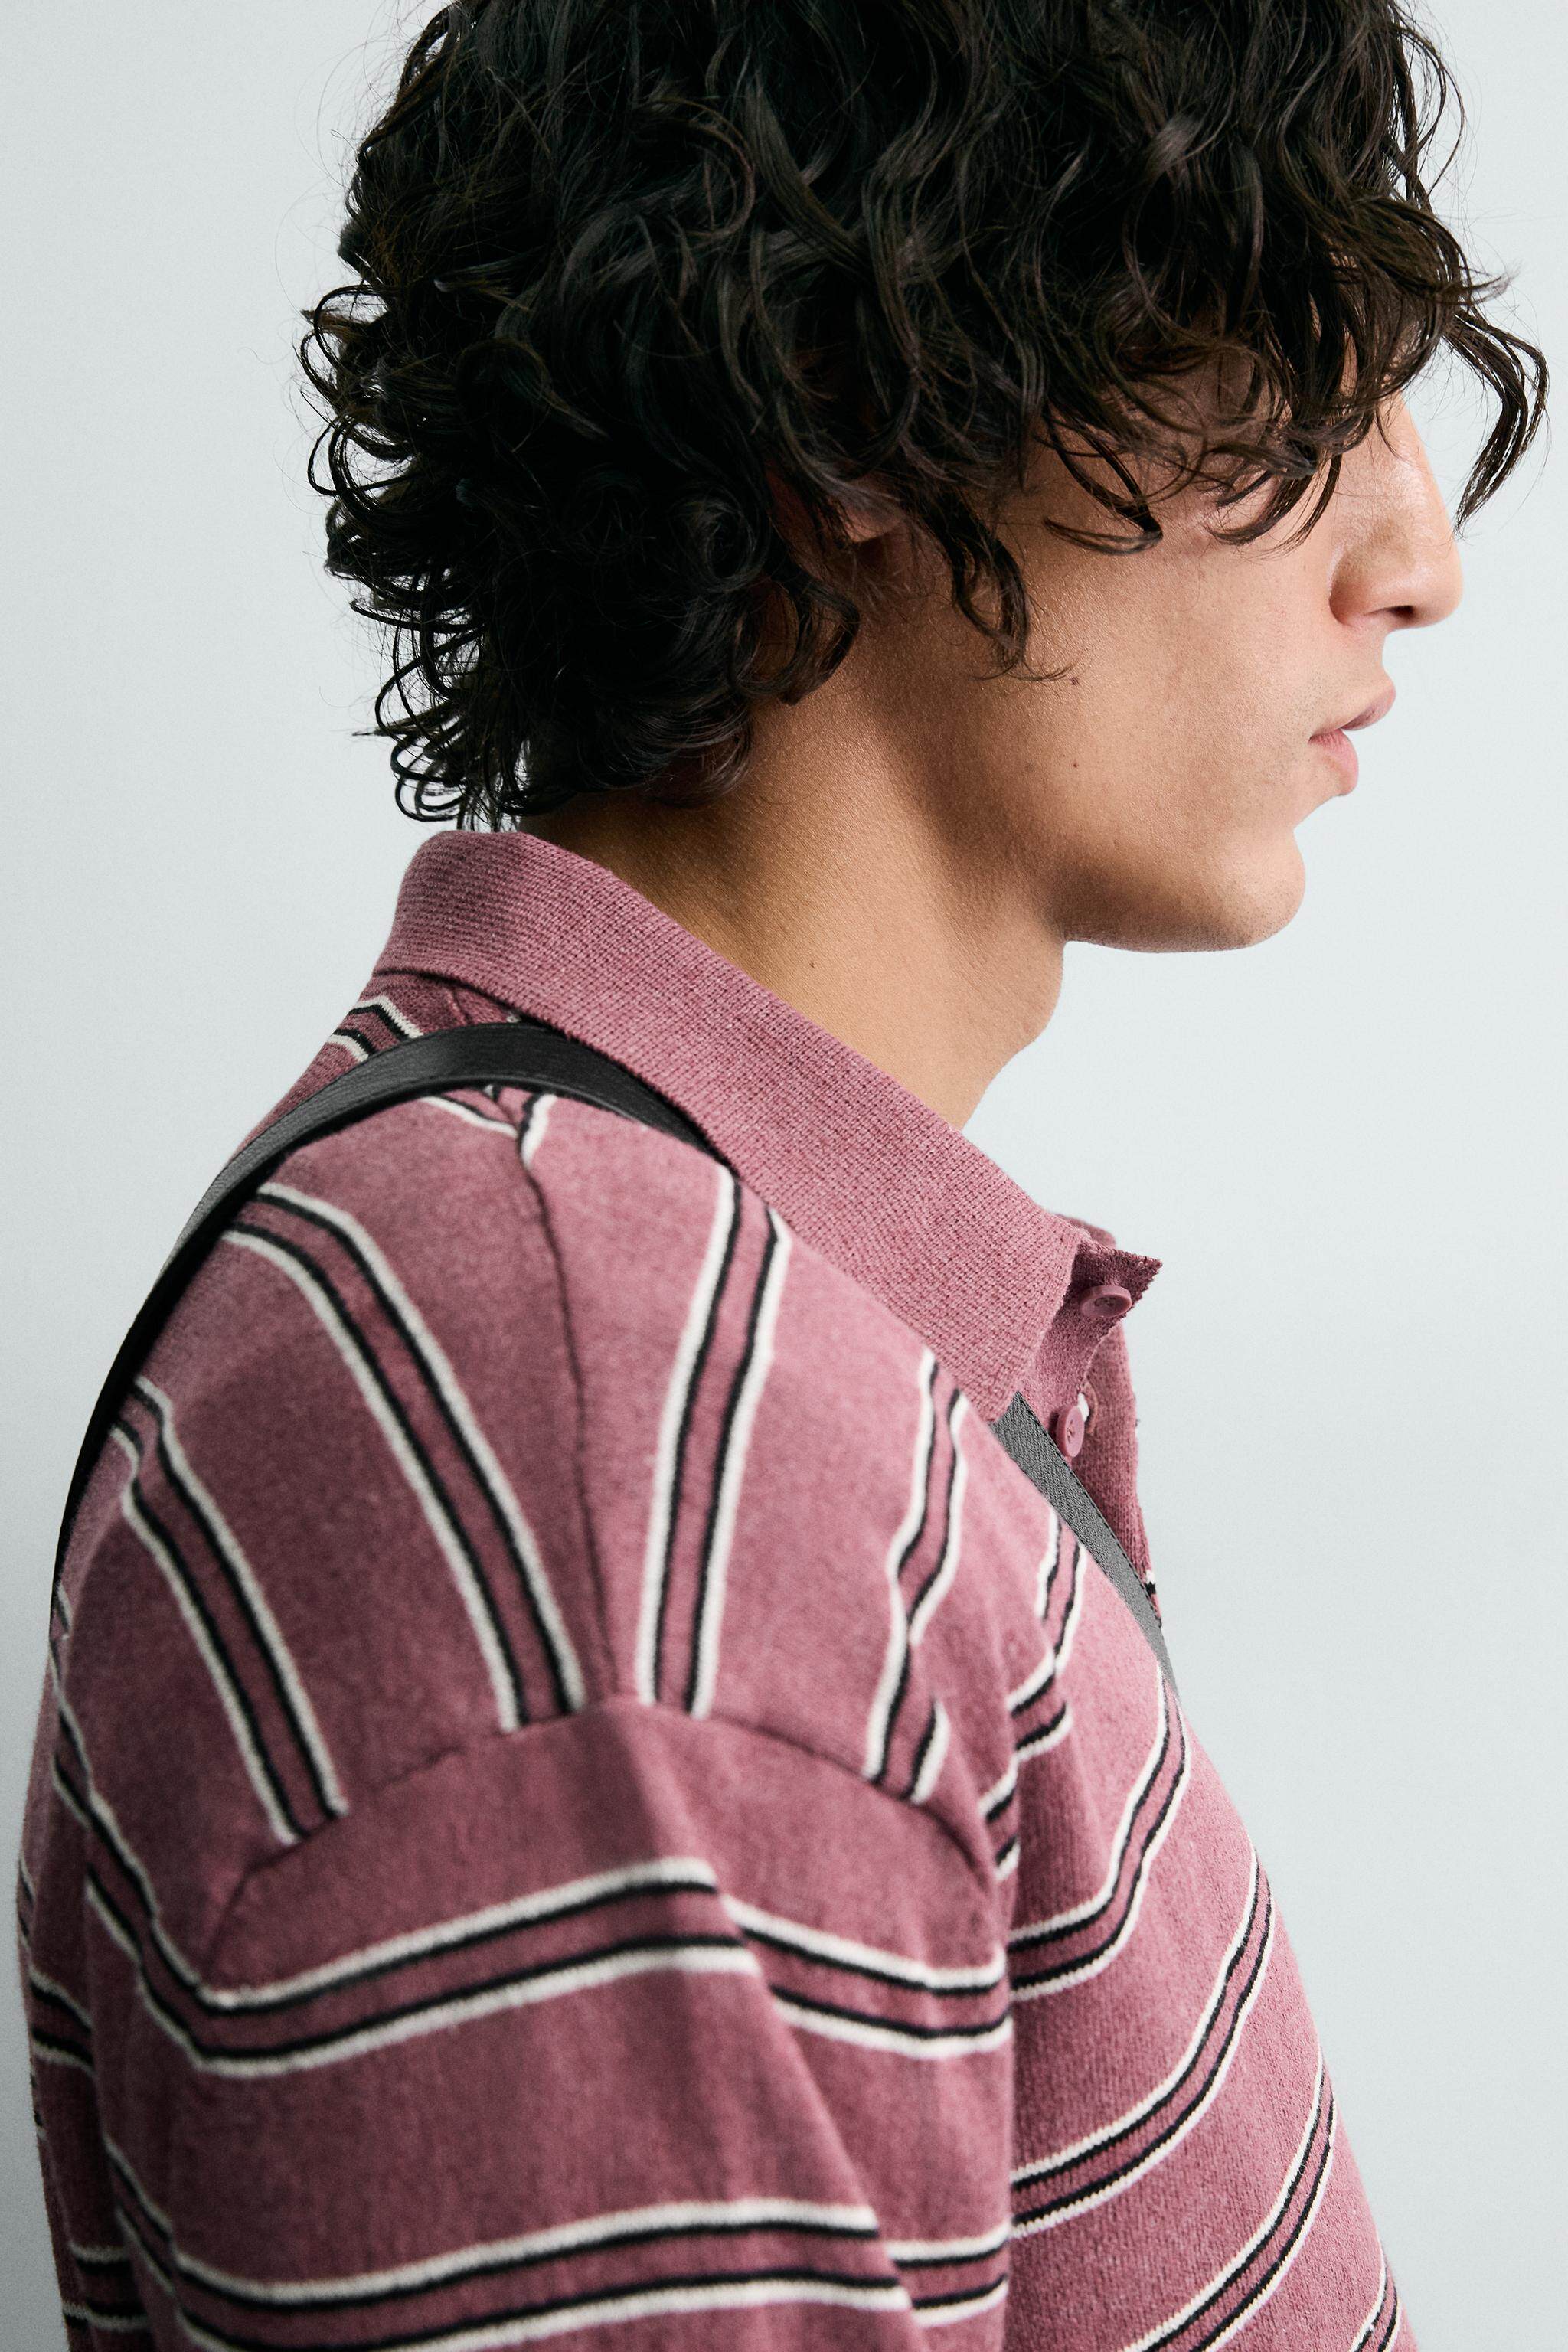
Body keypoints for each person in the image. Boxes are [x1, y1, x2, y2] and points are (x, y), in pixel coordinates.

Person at [18, 2, 1544, 2347]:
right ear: (856, 415)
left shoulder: (673, 1348)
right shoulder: (608, 1473)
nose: (1417, 559)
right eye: (1291, 376)